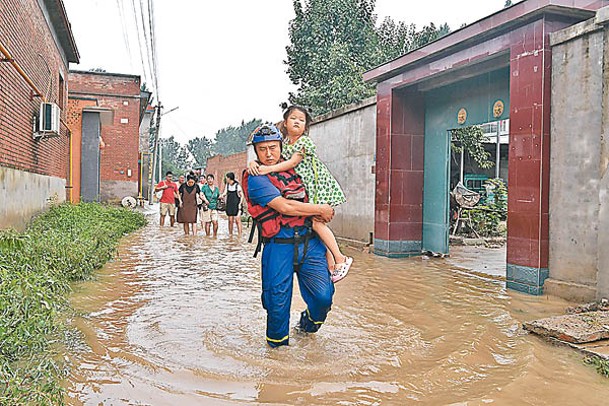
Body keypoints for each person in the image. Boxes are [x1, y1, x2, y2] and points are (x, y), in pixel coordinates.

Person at [243, 124, 335, 347]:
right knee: (277, 305)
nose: (268, 154)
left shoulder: (296, 169)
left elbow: (317, 181)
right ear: (255, 151)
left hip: (310, 241)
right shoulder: (255, 177)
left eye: (273, 147)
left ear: (281, 147)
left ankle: (307, 327)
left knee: (324, 297)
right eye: (262, 149)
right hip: (278, 245)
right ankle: (277, 357)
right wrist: (320, 209)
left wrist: (331, 251)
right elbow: (285, 207)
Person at [248, 106, 352, 283]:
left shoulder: (304, 143)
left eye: (301, 120)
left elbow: (292, 163)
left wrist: (267, 169)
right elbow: (274, 155)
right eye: (293, 118)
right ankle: (330, 266)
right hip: (304, 188)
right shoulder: (285, 144)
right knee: (313, 226)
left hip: (317, 186)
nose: (297, 122)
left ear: (306, 126)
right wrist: (253, 162)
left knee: (317, 225)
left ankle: (341, 258)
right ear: (285, 123)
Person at [220, 172, 244, 236]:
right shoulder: (227, 185)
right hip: (229, 204)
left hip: (237, 205)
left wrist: (240, 203)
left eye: (227, 177)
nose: (226, 179)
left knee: (237, 220)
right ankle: (230, 234)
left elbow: (242, 195)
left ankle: (240, 234)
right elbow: (225, 193)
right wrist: (221, 196)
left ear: (229, 178)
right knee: (230, 220)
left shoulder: (237, 186)